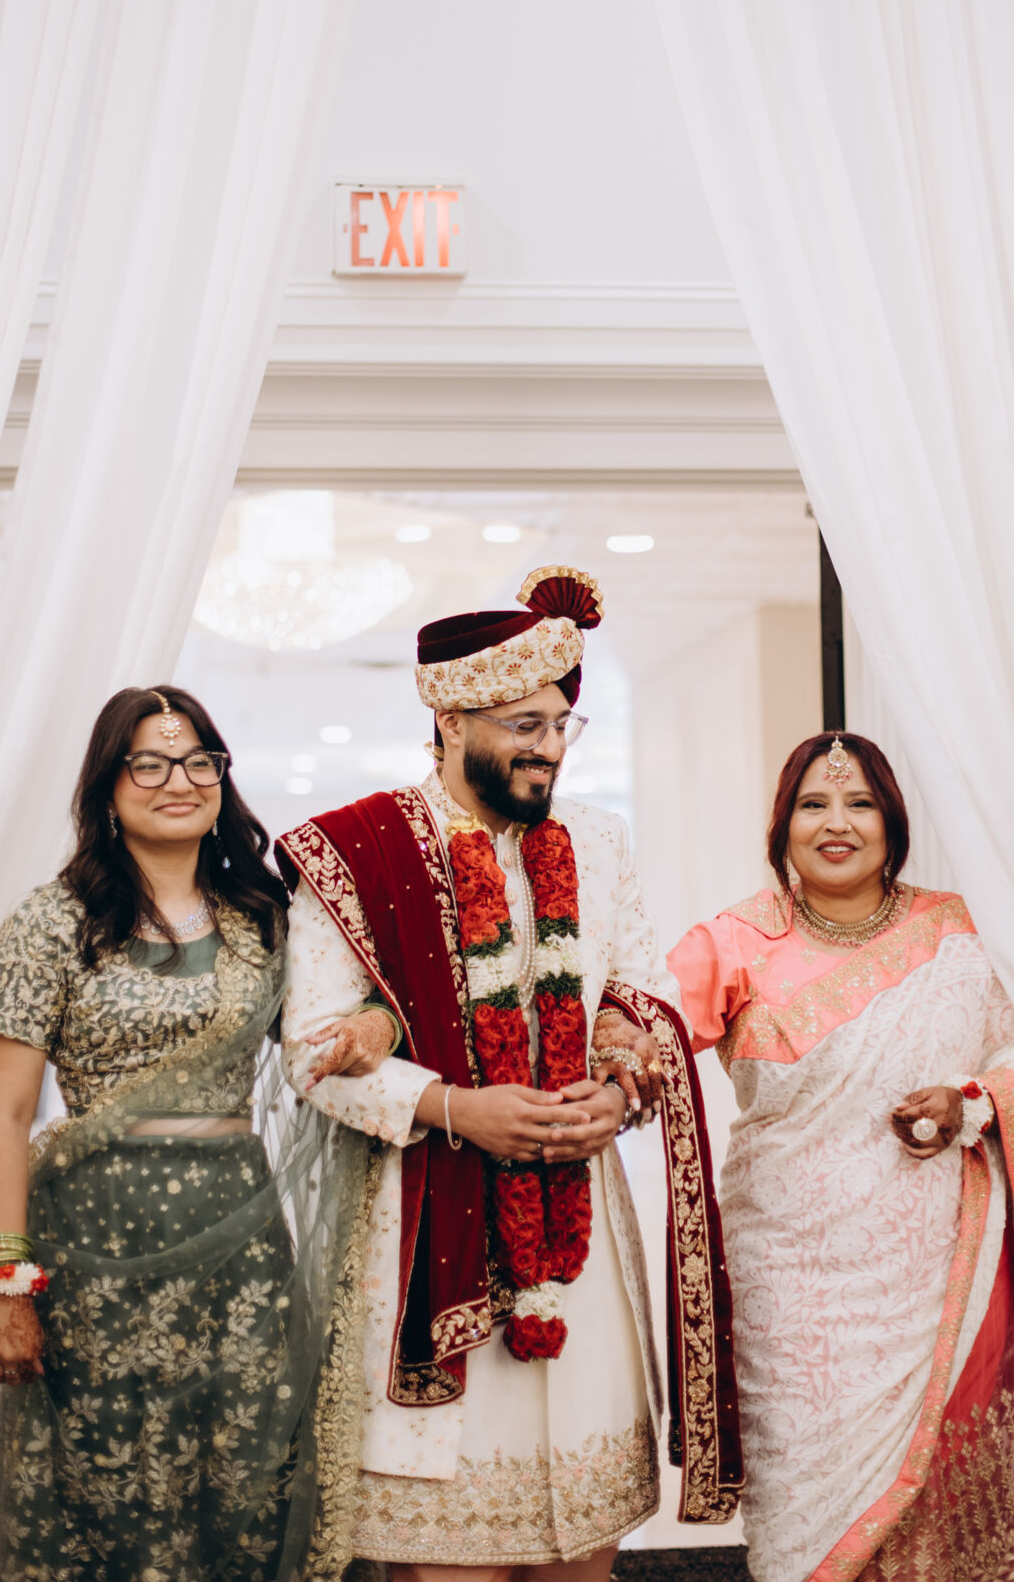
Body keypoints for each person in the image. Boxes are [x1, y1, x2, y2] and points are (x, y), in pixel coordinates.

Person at [276, 567, 742, 1582]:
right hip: (425, 1226)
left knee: (586, 1550)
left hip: (581, 1228)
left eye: (561, 724)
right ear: (448, 720)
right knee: (451, 1558)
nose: (549, 747)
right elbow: (311, 1050)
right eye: (523, 725)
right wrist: (453, 1106)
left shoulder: (599, 842)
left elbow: (640, 993)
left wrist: (617, 1087)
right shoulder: (358, 850)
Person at [0, 685, 371, 1582]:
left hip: (239, 1248)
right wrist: (6, 1283)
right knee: (108, 1483)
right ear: (107, 788)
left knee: (247, 1474)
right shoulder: (52, 921)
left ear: (222, 779)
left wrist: (375, 1026)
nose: (178, 781)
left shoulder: (264, 919)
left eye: (198, 761)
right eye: (148, 763)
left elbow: (331, 1029)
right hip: (96, 1247)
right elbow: (5, 1114)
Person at [668, 731, 1014, 1582]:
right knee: (801, 1500)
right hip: (786, 1274)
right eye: (813, 804)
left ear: (893, 821)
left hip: (928, 1272)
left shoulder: (959, 932)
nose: (837, 823)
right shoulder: (734, 940)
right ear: (782, 825)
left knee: (934, 1490)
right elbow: (646, 1031)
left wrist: (968, 1100)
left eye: (860, 804)